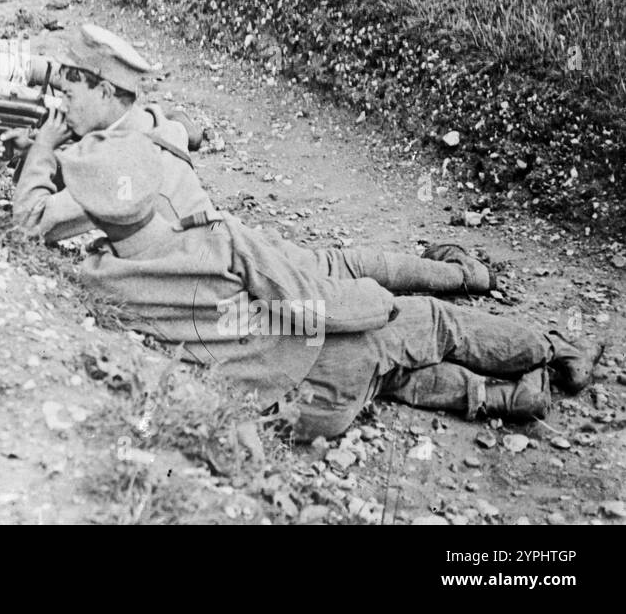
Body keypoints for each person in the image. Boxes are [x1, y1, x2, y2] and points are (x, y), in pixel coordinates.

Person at [56, 130, 600, 439]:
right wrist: (383, 303)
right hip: (326, 356)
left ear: (90, 210)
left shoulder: (101, 278)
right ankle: (560, 350)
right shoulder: (216, 239)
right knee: (432, 325)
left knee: (395, 380)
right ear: (154, 190)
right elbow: (314, 306)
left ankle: (514, 397)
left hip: (301, 411)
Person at [12, 23, 496, 298]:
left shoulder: (121, 157)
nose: (63, 99)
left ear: (103, 90)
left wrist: (41, 154)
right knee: (332, 263)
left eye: (71, 88)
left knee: (331, 288)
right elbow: (176, 123)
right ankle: (461, 276)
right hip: (231, 243)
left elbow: (31, 227)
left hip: (223, 279)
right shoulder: (140, 123)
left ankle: (458, 288)